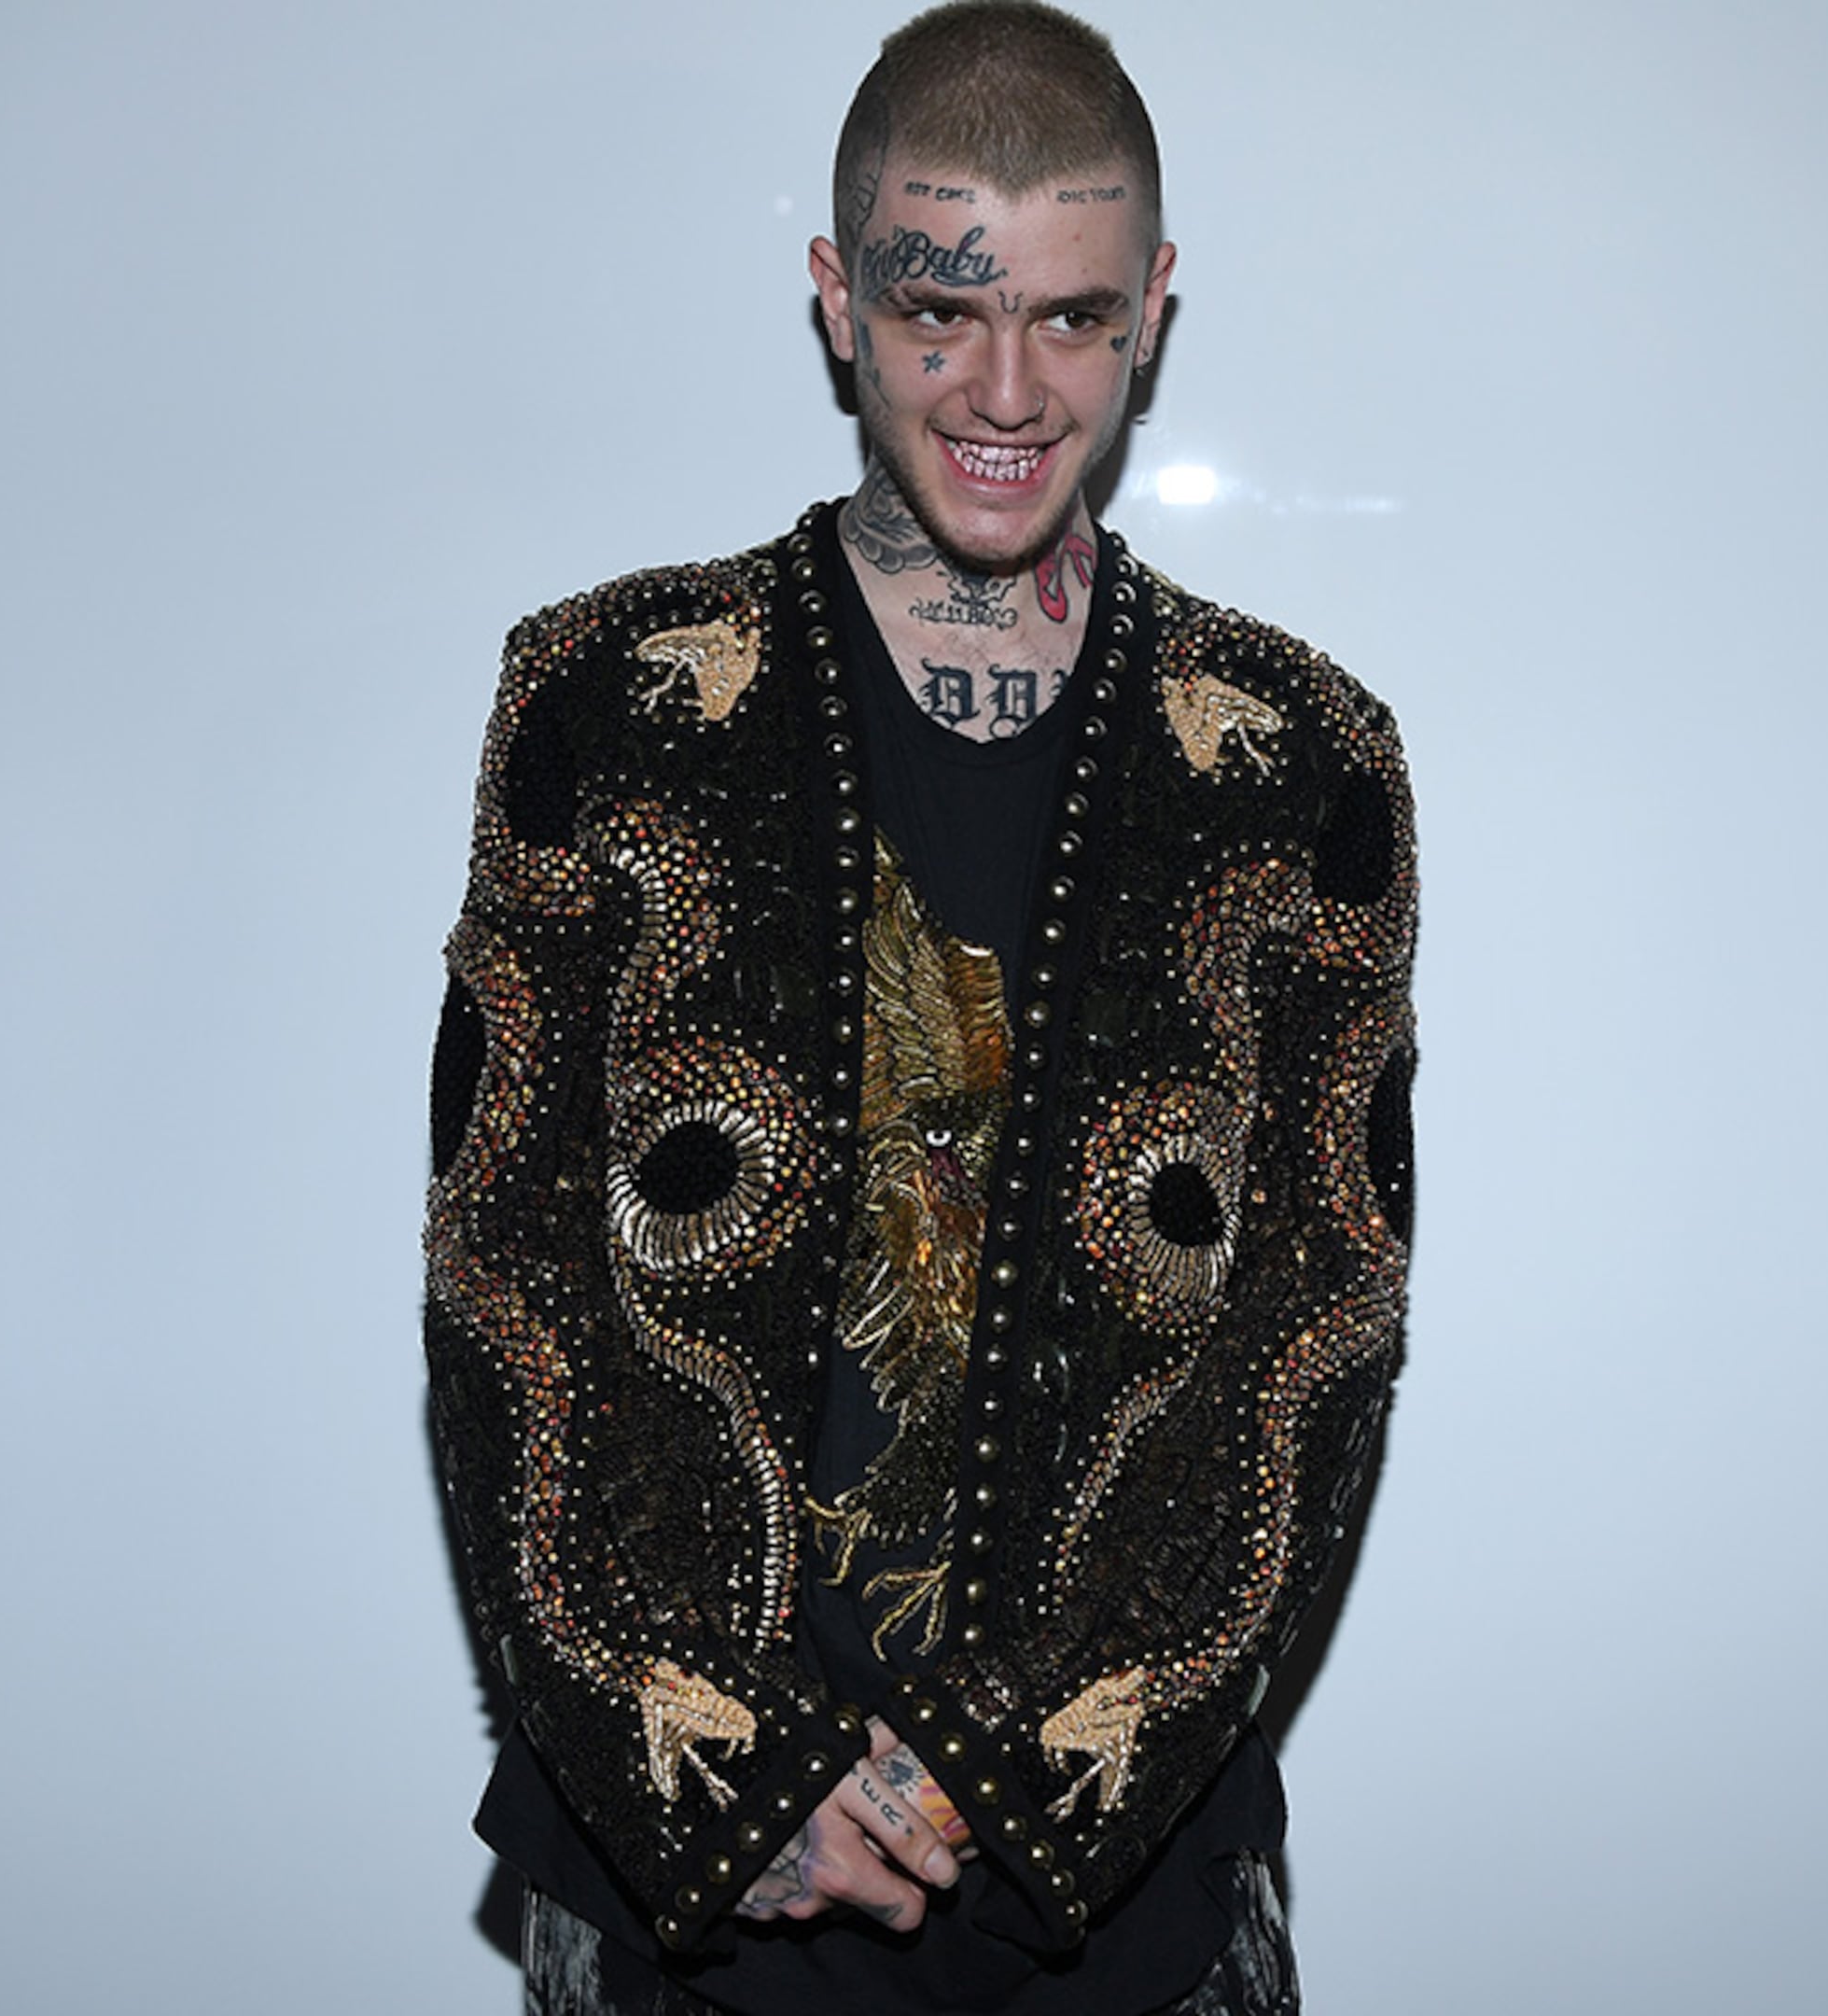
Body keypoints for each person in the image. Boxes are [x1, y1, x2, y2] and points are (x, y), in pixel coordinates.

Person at [422, 6, 1416, 2009]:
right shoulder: (610, 701)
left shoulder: (1304, 759)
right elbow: (505, 1283)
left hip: (1115, 1895)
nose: (1003, 385)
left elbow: (1315, 1341)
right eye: (938, 307)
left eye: (1069, 318)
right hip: (687, 1876)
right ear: (837, 299)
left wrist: (1006, 1762)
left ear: (1153, 308)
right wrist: (724, 1765)